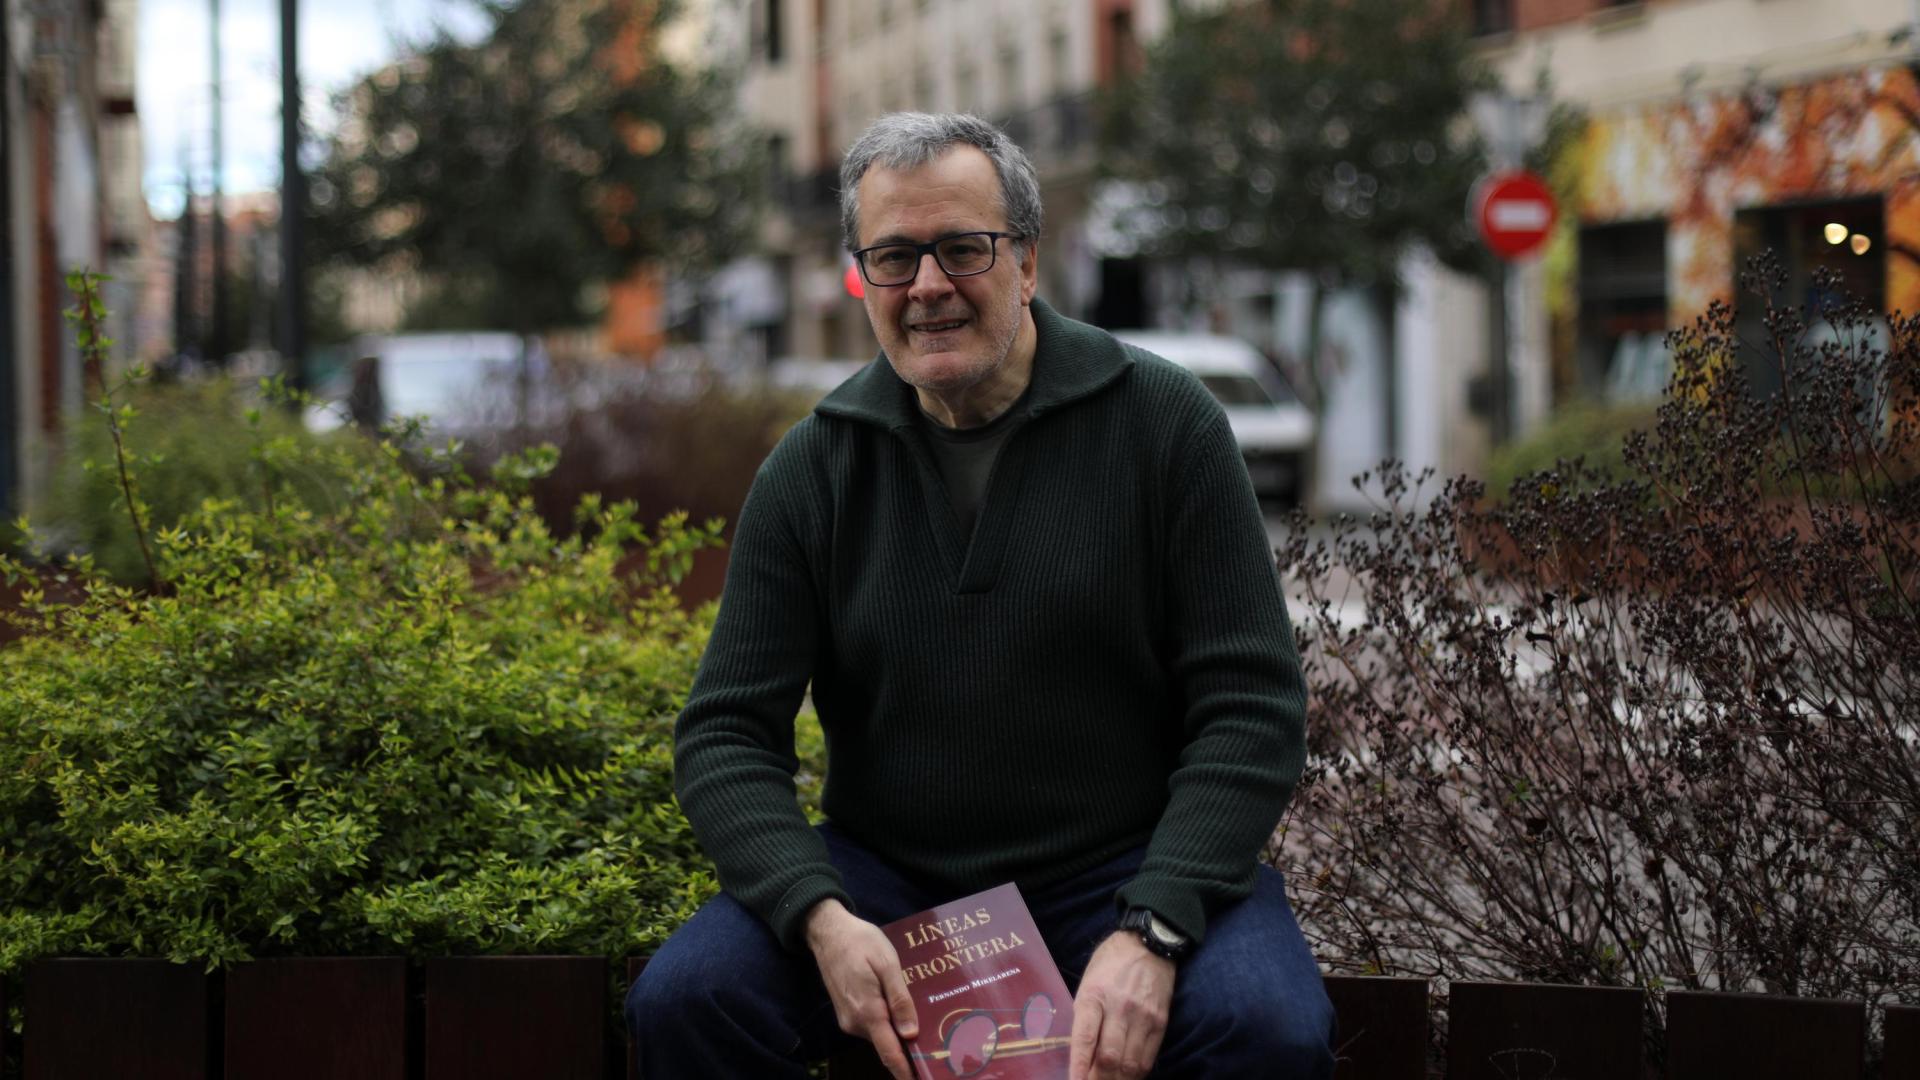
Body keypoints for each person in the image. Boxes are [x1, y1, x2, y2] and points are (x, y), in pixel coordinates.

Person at [627, 112, 1334, 1080]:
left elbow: (1252, 708)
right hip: (889, 882)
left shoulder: (1168, 427)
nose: (927, 287)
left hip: (1125, 871)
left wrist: (1157, 929)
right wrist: (820, 916)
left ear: (1029, 261)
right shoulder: (814, 467)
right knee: (687, 1002)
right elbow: (721, 733)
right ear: (863, 275)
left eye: (962, 248)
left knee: (1266, 1030)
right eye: (893, 256)